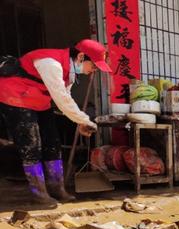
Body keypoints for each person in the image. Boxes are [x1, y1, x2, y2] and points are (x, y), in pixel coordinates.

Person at [0, 39, 111, 207]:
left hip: (38, 99)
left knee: (53, 141)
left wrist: (80, 123)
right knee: (31, 145)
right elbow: (62, 99)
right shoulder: (51, 63)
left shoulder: (70, 72)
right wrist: (84, 119)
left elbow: (66, 97)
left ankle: (57, 188)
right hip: (15, 95)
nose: (93, 71)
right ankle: (39, 194)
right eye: (94, 66)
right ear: (81, 57)